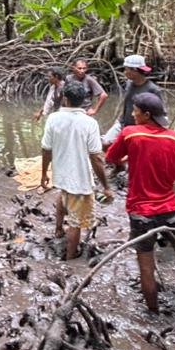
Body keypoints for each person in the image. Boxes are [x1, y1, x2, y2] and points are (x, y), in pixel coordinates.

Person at [104, 92, 175, 312]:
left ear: (147, 114)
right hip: (169, 207)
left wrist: (131, 157)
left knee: (146, 264)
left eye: (135, 111)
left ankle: (153, 312)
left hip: (141, 211)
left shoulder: (131, 134)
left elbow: (111, 158)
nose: (132, 115)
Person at [40, 81, 113, 259]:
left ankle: (58, 229)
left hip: (61, 175)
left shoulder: (53, 118)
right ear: (84, 100)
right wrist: (106, 186)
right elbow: (96, 157)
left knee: (63, 196)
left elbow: (46, 149)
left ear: (64, 99)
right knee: (76, 223)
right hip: (80, 180)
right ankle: (71, 258)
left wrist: (44, 173)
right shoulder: (89, 123)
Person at [102, 54, 167, 147]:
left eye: (126, 69)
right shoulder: (129, 84)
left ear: (135, 71)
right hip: (123, 123)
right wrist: (119, 118)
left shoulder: (153, 89)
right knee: (106, 142)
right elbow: (127, 103)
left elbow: (162, 113)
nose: (124, 72)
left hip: (140, 128)